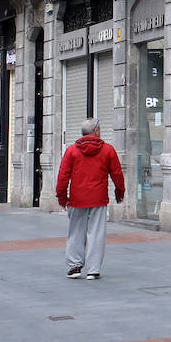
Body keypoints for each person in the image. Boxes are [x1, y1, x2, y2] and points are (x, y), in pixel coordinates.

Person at [56, 118, 125, 280]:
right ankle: (93, 270)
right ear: (96, 131)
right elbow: (117, 173)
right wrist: (119, 192)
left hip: (77, 199)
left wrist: (62, 197)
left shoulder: (72, 151)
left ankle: (75, 266)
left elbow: (63, 176)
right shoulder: (108, 150)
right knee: (97, 233)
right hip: (98, 199)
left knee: (75, 232)